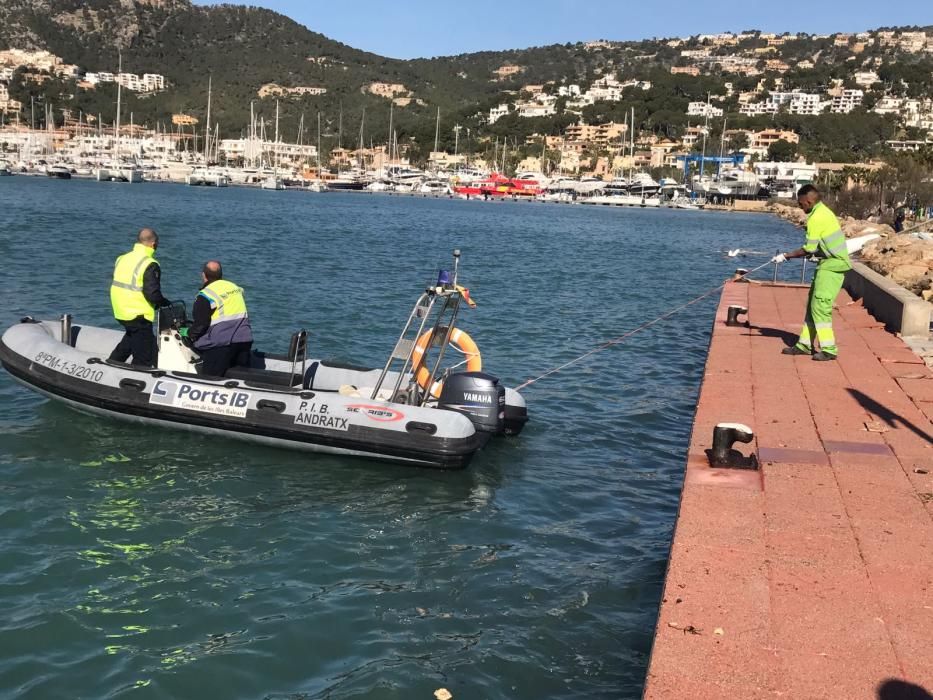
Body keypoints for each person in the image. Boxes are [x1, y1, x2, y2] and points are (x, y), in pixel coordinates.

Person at [771, 184, 851, 361]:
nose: (800, 207)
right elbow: (820, 245)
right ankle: (804, 345)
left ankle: (829, 349)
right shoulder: (822, 211)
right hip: (826, 263)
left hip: (833, 266)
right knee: (812, 306)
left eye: (801, 204)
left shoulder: (816, 218)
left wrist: (786, 256)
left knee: (820, 306)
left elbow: (809, 248)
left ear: (808, 201)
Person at [109, 227, 169, 366]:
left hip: (120, 310)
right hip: (138, 314)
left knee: (130, 339)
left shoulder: (122, 258)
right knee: (144, 356)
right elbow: (152, 293)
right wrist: (164, 303)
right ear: (153, 244)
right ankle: (135, 380)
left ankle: (113, 363)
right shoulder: (150, 263)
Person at [187, 261, 254, 377]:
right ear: (221, 275)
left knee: (209, 379)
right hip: (244, 340)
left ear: (204, 275)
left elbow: (201, 324)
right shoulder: (234, 287)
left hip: (221, 345)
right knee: (239, 377)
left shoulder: (205, 295)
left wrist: (189, 334)